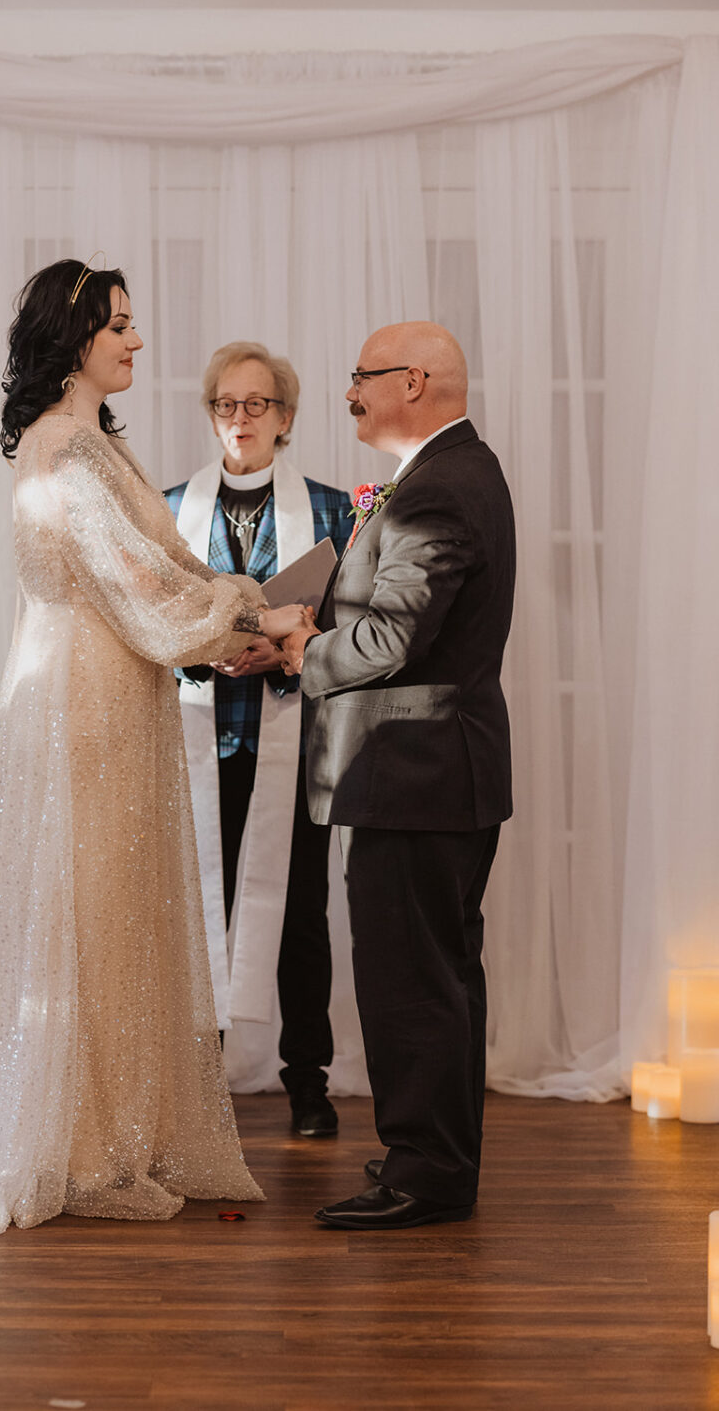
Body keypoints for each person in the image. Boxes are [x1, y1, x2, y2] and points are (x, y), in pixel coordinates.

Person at [0, 259, 305, 1232]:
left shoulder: (97, 441)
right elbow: (137, 585)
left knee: (117, 911)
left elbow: (166, 569)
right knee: (90, 916)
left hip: (110, 683)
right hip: (84, 698)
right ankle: (82, 1146)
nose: (137, 342)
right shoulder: (65, 447)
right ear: (74, 338)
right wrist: (244, 618)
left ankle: (113, 1129)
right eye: (120, 327)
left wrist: (243, 611)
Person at [281, 320, 515, 1230]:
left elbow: (388, 640)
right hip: (432, 771)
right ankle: (438, 1158)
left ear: (413, 381)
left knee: (412, 979)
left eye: (361, 377)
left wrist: (304, 646)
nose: (350, 392)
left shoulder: (440, 490)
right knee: (441, 974)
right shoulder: (452, 472)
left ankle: (426, 1173)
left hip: (414, 774)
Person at [165, 343, 352, 1138]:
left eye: (257, 405)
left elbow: (353, 623)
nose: (240, 419)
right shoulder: (171, 508)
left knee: (301, 914)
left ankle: (307, 1082)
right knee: (193, 912)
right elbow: (154, 619)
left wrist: (284, 647)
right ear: (211, 413)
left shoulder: (335, 507)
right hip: (194, 741)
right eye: (226, 404)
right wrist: (208, 646)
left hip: (293, 739)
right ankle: (194, 1084)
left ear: (286, 418)